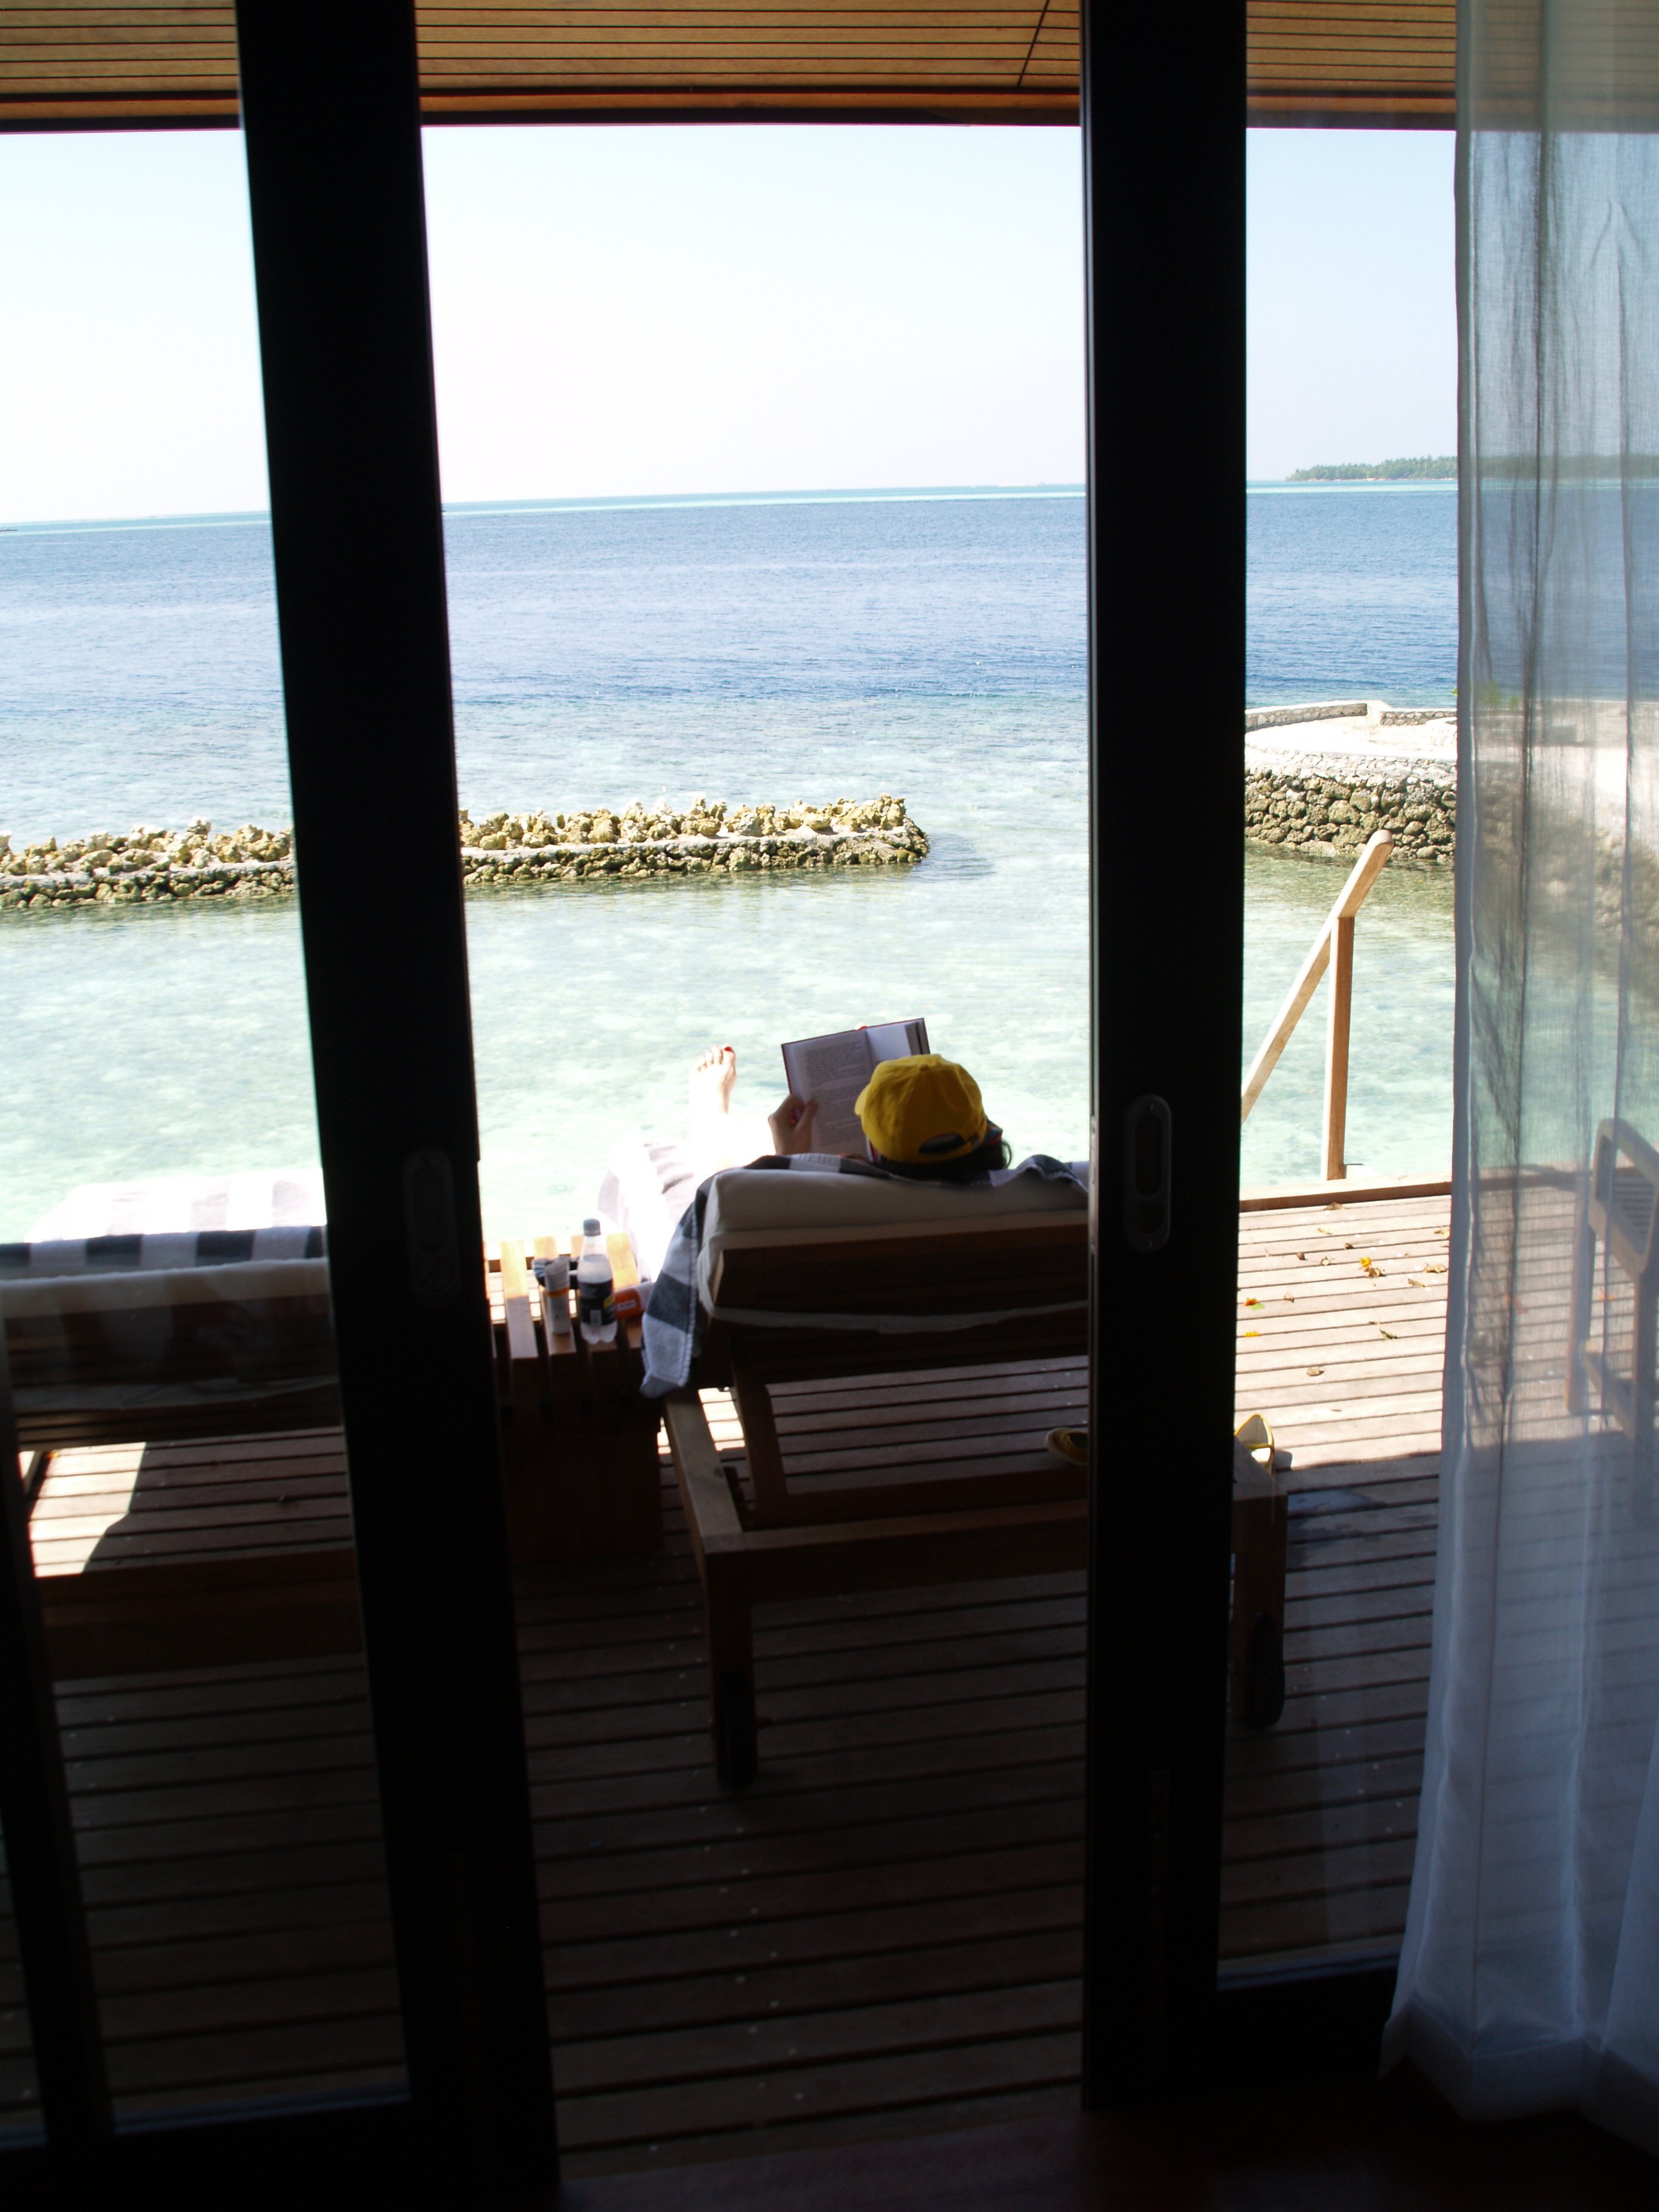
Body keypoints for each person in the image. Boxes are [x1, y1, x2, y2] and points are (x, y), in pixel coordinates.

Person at [688, 1042, 1013, 1182]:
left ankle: (711, 1112)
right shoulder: (1036, 1186)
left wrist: (788, 1161)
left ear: (875, 1150)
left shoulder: (841, 1204)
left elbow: (716, 1194)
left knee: (733, 1146)